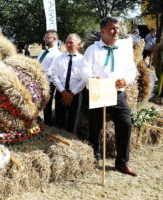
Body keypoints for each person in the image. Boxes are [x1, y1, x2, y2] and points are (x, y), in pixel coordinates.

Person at [81, 17, 137, 176]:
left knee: (125, 124)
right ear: (103, 31)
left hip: (117, 93)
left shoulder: (123, 50)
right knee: (95, 126)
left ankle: (122, 162)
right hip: (98, 91)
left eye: (117, 28)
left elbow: (131, 69)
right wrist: (92, 78)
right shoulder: (92, 49)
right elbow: (84, 70)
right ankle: (94, 158)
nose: (116, 31)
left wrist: (126, 80)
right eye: (112, 28)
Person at [51, 33, 85, 133]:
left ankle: (70, 141)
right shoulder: (59, 58)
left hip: (76, 95)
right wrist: (63, 92)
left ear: (78, 44)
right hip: (61, 94)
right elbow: (54, 75)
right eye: (66, 42)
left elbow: (84, 78)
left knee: (72, 122)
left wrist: (72, 93)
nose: (68, 45)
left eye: (71, 43)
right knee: (59, 121)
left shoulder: (83, 60)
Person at [37, 30, 61, 125]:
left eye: (47, 38)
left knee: (47, 103)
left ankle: (48, 123)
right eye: (44, 38)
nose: (45, 40)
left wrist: (38, 73)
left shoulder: (57, 54)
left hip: (48, 82)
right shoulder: (43, 52)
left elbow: (52, 71)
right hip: (38, 80)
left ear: (55, 39)